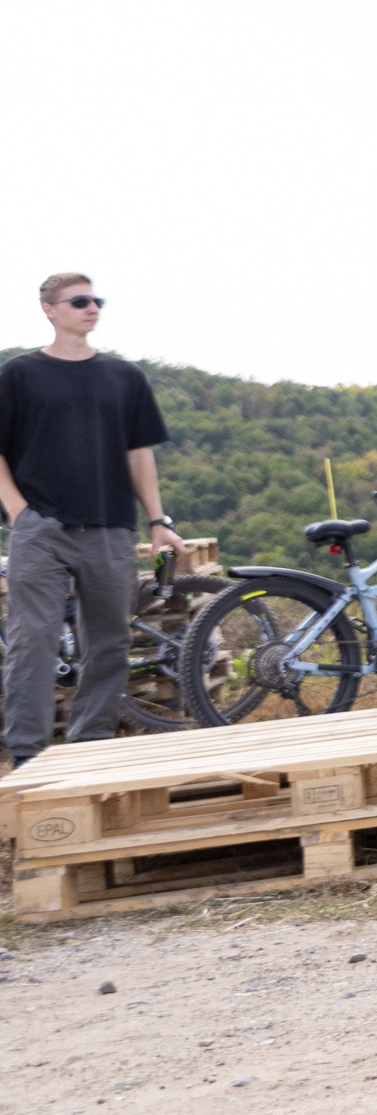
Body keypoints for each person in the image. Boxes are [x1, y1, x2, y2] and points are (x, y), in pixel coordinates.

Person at [0, 273, 186, 767]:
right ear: (49, 309)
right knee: (31, 640)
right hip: (42, 530)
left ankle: (90, 748)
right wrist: (19, 513)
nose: (91, 308)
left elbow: (138, 454)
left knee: (109, 642)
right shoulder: (19, 374)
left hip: (110, 527)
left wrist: (158, 521)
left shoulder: (125, 377)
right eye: (79, 301)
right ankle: (28, 755)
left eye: (95, 300)